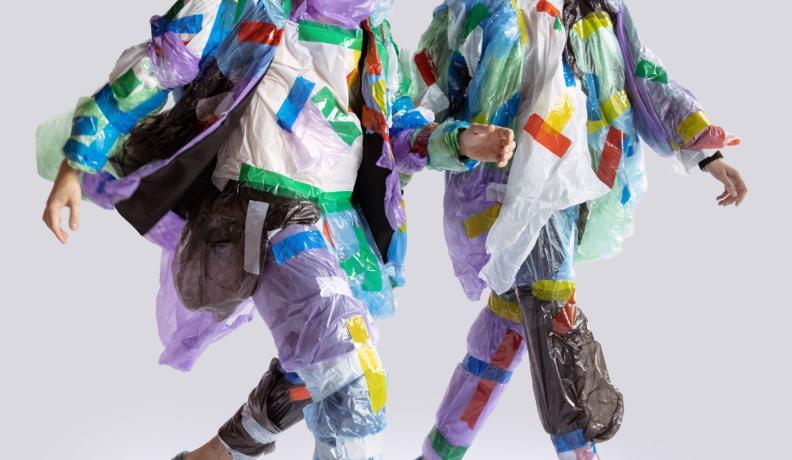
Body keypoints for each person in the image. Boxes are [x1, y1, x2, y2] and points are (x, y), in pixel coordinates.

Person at [37, 1, 515, 459]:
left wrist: (456, 141)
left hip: (339, 222)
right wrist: (79, 157)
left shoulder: (376, 36)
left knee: (309, 372)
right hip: (264, 207)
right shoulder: (254, 6)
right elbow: (160, 64)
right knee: (352, 374)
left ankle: (215, 455)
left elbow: (396, 130)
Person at [405, 0, 748, 459]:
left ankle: (438, 453)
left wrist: (708, 152)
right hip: (502, 197)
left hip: (572, 195)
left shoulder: (599, 12)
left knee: (506, 332)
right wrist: (397, 176)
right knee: (553, 316)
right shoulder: (479, 10)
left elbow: (645, 79)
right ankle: (579, 451)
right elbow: (420, 105)